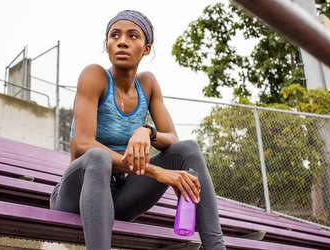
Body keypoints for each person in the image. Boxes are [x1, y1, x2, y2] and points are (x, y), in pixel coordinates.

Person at [50, 10, 226, 250]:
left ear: (146, 49)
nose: (122, 41)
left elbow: (172, 139)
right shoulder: (95, 76)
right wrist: (156, 172)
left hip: (120, 197)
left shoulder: (148, 84)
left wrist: (147, 131)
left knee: (188, 149)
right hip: (76, 194)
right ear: (107, 45)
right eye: (115, 36)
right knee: (98, 156)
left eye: (133, 36)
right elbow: (83, 144)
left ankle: (216, 247)